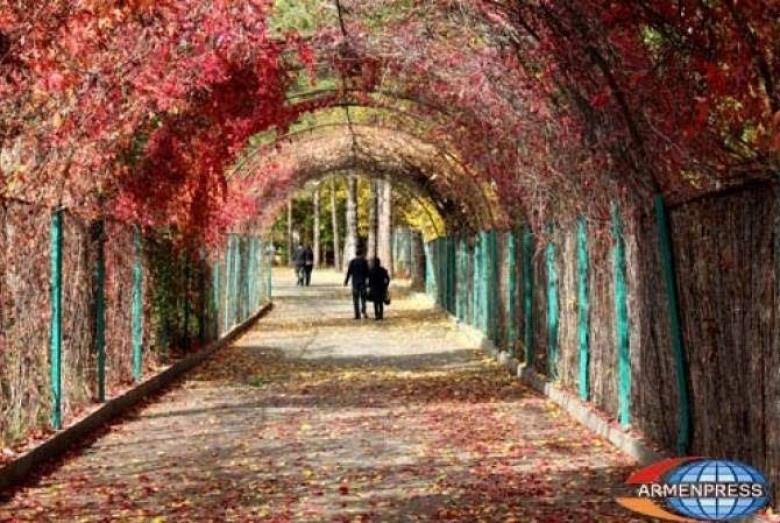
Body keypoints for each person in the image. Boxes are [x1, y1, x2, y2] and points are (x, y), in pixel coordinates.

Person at [344, 250, 369, 319]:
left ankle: (357, 314)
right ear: (361, 254)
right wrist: (368, 281)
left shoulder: (352, 262)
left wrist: (346, 281)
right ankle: (363, 310)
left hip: (355, 282)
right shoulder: (364, 261)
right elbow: (367, 272)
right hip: (363, 282)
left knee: (355, 299)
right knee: (363, 298)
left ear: (356, 254)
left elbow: (349, 272)